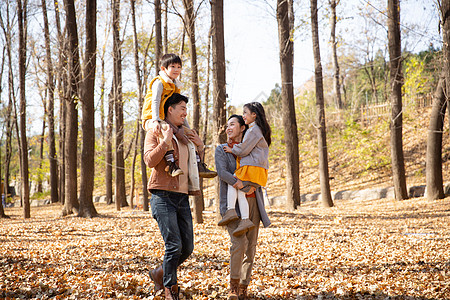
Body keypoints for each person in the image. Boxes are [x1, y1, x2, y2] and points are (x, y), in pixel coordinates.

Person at [144, 93, 204, 300]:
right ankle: (170, 289)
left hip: (182, 197)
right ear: (170, 109)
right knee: (174, 245)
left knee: (187, 247)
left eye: (186, 108)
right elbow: (149, 160)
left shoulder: (186, 135)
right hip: (162, 195)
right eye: (181, 108)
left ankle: (159, 273)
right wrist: (165, 141)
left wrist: (200, 146)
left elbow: (194, 164)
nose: (185, 112)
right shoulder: (157, 130)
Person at [215, 114, 271, 300]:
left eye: (232, 124)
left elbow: (261, 166)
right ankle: (233, 286)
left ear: (242, 128)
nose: (228, 128)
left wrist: (252, 185)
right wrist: (240, 183)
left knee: (251, 247)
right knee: (238, 244)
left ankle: (243, 288)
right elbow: (222, 172)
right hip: (232, 205)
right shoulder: (222, 149)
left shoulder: (251, 147)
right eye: (227, 125)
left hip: (253, 201)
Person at [142, 53, 216, 178]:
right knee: (165, 129)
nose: (176, 69)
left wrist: (187, 127)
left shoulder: (175, 85)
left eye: (179, 67)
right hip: (151, 117)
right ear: (163, 69)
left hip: (164, 118)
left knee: (191, 134)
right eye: (173, 66)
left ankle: (199, 164)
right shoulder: (159, 83)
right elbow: (155, 101)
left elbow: (177, 109)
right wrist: (155, 120)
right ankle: (171, 164)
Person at [218, 102, 271, 237]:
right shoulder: (258, 130)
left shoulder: (253, 130)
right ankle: (245, 219)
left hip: (253, 167)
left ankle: (230, 210)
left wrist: (232, 149)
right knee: (240, 191)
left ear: (254, 115)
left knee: (235, 179)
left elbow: (244, 149)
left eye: (245, 113)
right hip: (258, 167)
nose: (244, 115)